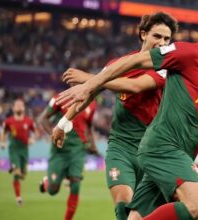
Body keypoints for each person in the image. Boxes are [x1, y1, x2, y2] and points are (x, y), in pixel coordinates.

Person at [55, 5, 198, 220]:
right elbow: (135, 60)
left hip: (181, 154)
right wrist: (89, 85)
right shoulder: (188, 54)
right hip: (162, 146)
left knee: (134, 216)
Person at [54, 12, 178, 220]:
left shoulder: (166, 68)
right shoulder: (118, 64)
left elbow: (134, 86)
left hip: (153, 150)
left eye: (167, 39)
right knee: (123, 205)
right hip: (121, 146)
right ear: (143, 34)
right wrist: (64, 121)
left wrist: (91, 79)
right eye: (157, 36)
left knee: (151, 213)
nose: (162, 43)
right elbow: (88, 94)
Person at [37, 95, 97, 220]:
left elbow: (89, 125)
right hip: (60, 151)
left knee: (75, 184)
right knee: (53, 190)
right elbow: (42, 119)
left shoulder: (91, 102)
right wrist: (54, 134)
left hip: (78, 149)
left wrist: (93, 144)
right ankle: (48, 181)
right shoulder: (60, 98)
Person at [0, 98, 38, 206]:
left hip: (24, 150)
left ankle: (14, 168)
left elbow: (35, 132)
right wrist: (2, 143)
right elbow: (3, 133)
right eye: (17, 105)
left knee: (23, 174)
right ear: (13, 108)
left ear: (24, 108)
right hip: (14, 149)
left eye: (21, 105)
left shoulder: (29, 121)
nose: (19, 107)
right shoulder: (8, 121)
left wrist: (32, 139)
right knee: (17, 173)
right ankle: (18, 198)